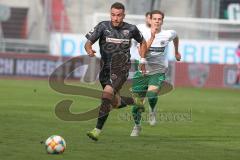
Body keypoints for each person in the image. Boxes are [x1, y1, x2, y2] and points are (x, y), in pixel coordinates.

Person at [84, 2, 147, 141]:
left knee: (106, 95)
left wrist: (142, 60)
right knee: (115, 103)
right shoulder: (102, 26)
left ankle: (97, 130)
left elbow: (143, 42)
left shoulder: (131, 29)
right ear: (110, 14)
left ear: (123, 15)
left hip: (121, 68)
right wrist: (89, 49)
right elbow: (88, 42)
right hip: (105, 69)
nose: (116, 18)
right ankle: (135, 101)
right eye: (113, 15)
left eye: (119, 15)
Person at [130, 10, 181, 136]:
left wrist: (176, 52)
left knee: (152, 95)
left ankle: (152, 111)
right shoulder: (141, 34)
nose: (157, 21)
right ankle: (137, 126)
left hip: (158, 70)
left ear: (162, 21)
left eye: (159, 19)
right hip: (142, 71)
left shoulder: (168, 34)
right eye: (155, 19)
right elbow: (143, 53)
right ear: (150, 20)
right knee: (137, 105)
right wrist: (152, 37)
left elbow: (176, 37)